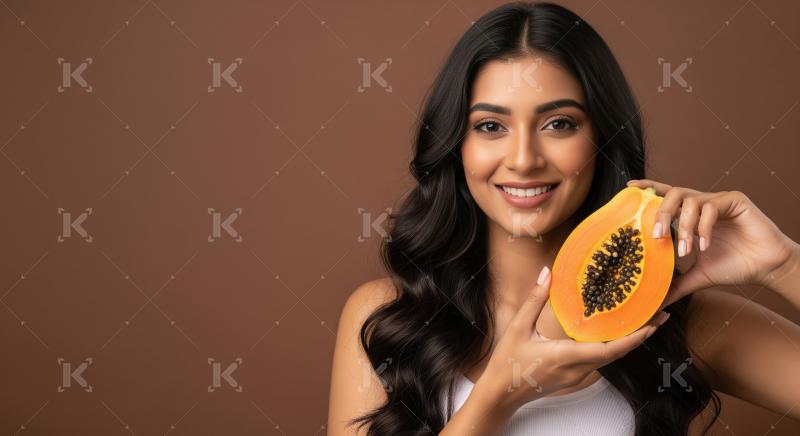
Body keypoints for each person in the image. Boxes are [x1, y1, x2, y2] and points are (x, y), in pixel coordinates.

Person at [328, 2, 800, 435]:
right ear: (457, 144)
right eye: (491, 127)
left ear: (602, 138)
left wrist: (784, 266)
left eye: (559, 124)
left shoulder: (677, 320)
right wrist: (499, 395)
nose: (524, 159)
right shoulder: (388, 318)